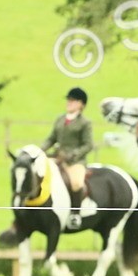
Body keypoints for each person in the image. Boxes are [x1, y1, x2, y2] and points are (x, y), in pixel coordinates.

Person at [42, 87, 94, 228]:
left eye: (73, 100)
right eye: (69, 100)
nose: (69, 102)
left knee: (76, 183)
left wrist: (73, 154)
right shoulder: (60, 119)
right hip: (58, 158)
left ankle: (75, 214)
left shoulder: (85, 123)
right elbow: (51, 138)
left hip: (75, 162)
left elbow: (88, 145)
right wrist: (40, 150)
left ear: (81, 104)